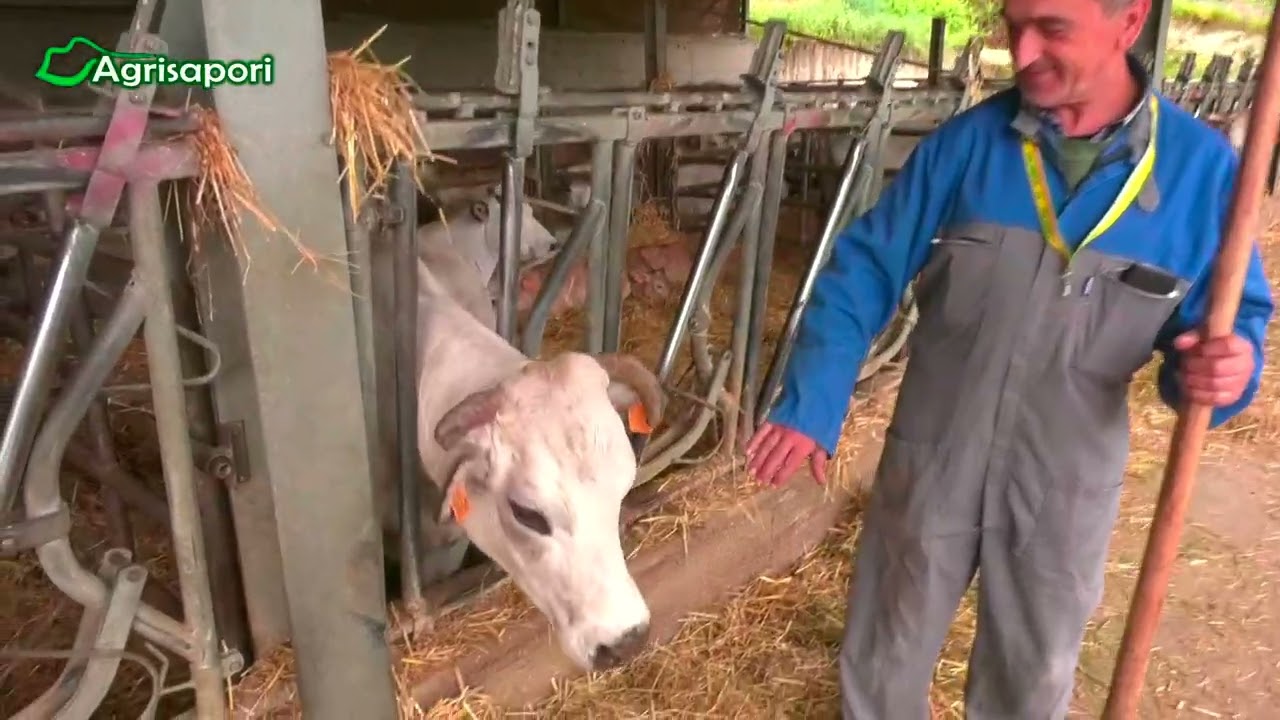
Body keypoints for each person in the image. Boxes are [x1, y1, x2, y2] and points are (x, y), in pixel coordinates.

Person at [744, 0, 1274, 717]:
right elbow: (863, 268)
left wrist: (1225, 369)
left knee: (1031, 674)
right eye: (1011, 24)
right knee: (883, 655)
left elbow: (1230, 320)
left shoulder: (1202, 176)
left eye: (1052, 29)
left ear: (1128, 22)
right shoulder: (966, 147)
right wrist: (815, 397)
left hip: (1067, 477)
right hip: (934, 452)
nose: (1021, 53)